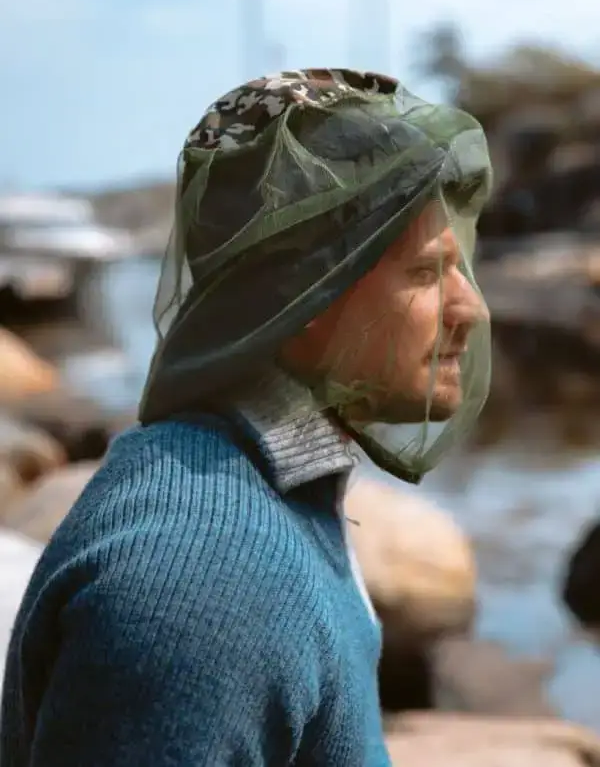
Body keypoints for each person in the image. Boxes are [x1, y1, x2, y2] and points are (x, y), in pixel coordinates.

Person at [0, 69, 493, 766]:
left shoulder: (266, 493)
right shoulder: (205, 580)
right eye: (425, 273)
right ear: (303, 294)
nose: (470, 309)